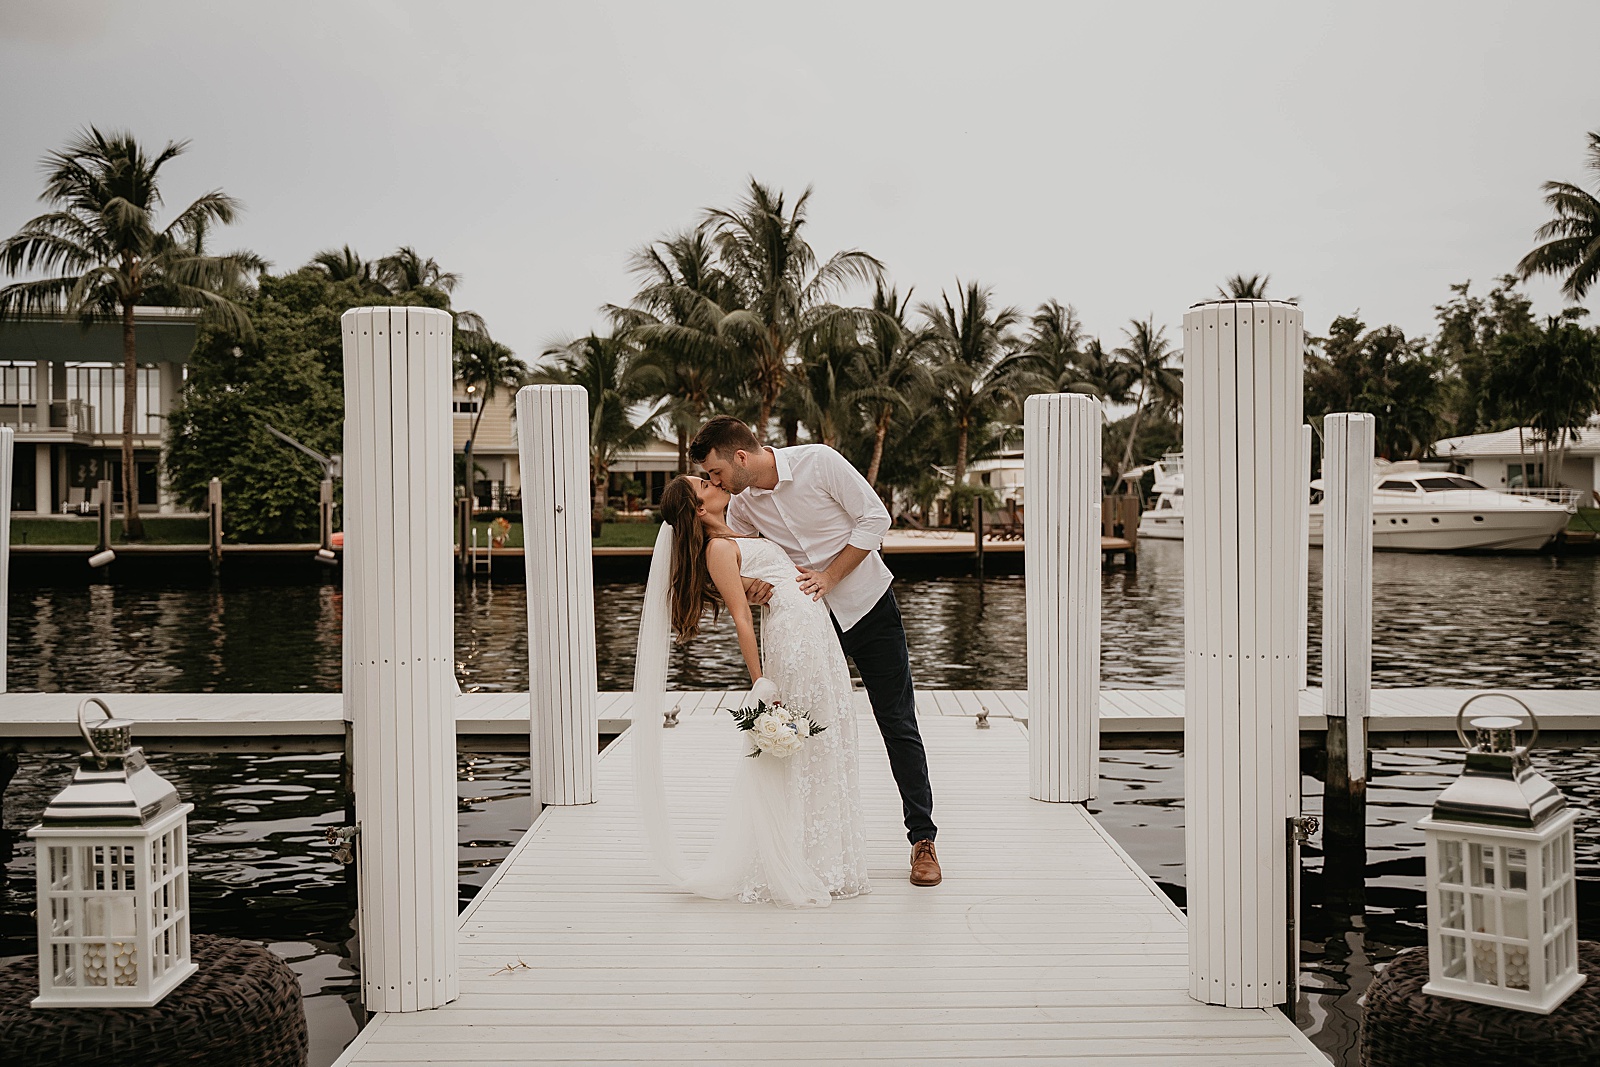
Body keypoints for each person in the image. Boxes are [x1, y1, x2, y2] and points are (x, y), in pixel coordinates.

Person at [689, 416, 942, 887]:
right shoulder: (741, 506)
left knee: (898, 721)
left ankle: (922, 840)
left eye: (717, 473)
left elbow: (876, 518)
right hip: (808, 626)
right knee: (810, 729)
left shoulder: (819, 462)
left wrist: (831, 576)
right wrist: (748, 584)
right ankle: (806, 845)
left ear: (740, 457)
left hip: (869, 607)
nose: (715, 482)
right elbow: (734, 554)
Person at [629, 473, 869, 907]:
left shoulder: (737, 531)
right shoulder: (719, 548)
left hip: (815, 629)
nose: (713, 482)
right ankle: (797, 859)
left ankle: (822, 857)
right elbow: (742, 618)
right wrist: (760, 680)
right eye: (704, 484)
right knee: (805, 746)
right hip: (793, 638)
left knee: (827, 740)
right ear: (700, 509)